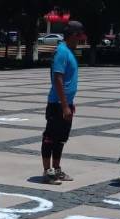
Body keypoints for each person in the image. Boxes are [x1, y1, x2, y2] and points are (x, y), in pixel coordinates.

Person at [39, 21, 85, 185]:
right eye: (80, 35)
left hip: (66, 103)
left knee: (61, 139)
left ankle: (57, 169)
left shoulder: (69, 52)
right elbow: (57, 79)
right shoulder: (62, 52)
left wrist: (69, 103)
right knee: (50, 137)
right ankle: (47, 172)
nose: (82, 38)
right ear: (74, 35)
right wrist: (64, 105)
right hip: (57, 104)